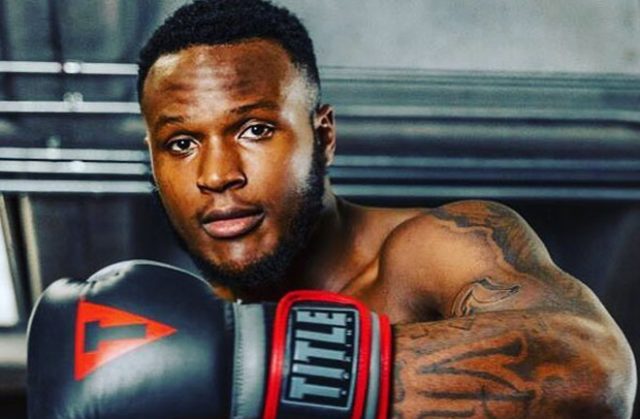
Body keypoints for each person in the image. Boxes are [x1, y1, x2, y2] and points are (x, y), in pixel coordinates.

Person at [27, 0, 636, 418]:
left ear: (323, 136)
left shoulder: (431, 248)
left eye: (255, 130)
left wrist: (258, 369)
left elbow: (591, 371)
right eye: (181, 143)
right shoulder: (173, 330)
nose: (216, 175)